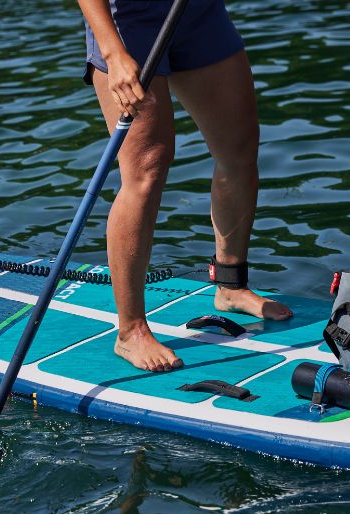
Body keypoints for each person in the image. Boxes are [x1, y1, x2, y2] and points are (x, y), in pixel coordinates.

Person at [78, 0, 293, 372]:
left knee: (239, 150)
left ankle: (230, 287)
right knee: (147, 168)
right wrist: (113, 53)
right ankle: (130, 332)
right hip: (131, 22)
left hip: (197, 11)